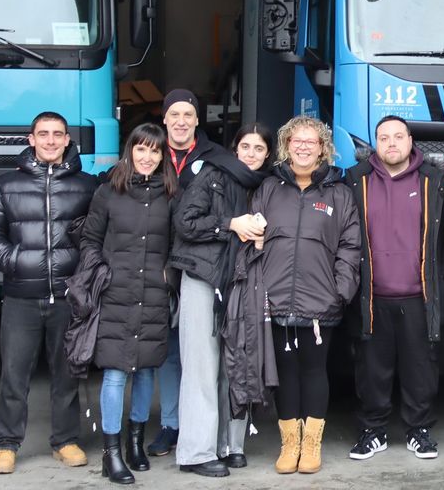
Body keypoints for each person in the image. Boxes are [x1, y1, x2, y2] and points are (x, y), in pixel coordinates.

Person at [0, 111, 98, 475]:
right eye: (42, 134)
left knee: (67, 373)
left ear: (66, 141)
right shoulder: (5, 186)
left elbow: (97, 235)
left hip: (67, 295)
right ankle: (6, 444)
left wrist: (82, 270)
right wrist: (14, 261)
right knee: (14, 373)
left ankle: (65, 440)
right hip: (20, 296)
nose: (49, 140)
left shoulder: (87, 187)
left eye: (56, 134)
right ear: (31, 139)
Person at [252, 115, 360, 475]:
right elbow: (254, 237)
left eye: (310, 141)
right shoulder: (269, 188)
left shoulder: (339, 193)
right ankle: (290, 444)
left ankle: (311, 444)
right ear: (286, 146)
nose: (302, 147)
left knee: (314, 370)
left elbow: (350, 246)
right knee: (286, 372)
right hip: (277, 296)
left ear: (322, 148)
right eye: (296, 141)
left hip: (320, 300)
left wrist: (340, 291)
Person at [169, 123, 275, 476]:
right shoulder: (213, 174)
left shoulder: (267, 185)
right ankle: (196, 452)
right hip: (203, 277)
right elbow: (184, 222)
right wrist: (228, 223)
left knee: (237, 365)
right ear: (235, 148)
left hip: (244, 281)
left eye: (259, 148)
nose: (251, 154)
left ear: (268, 154)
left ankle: (232, 446)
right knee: (201, 366)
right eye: (246, 146)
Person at [76, 123, 178, 484]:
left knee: (147, 369)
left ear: (163, 157)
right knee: (116, 373)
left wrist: (169, 275)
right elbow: (89, 239)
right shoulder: (109, 191)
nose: (147, 157)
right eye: (141, 149)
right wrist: (103, 271)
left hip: (153, 292)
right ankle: (112, 452)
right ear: (129, 150)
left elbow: (177, 243)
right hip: (116, 292)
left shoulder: (170, 193)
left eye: (155, 151)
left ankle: (136, 441)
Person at [344, 116, 444, 462]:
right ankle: (373, 431)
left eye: (398, 136)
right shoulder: (355, 180)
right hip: (371, 297)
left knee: (420, 369)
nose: (391, 143)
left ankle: (418, 430)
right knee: (371, 370)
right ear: (375, 143)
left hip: (418, 295)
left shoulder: (434, 181)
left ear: (410, 140)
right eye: (384, 137)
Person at [148, 88, 222, 457]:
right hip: (155, 262)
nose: (180, 121)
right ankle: (171, 425)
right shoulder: (151, 154)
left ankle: (201, 429)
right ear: (164, 119)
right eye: (173, 114)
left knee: (197, 350)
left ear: (197, 120)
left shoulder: (215, 157)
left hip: (195, 264)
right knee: (166, 349)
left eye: (187, 115)